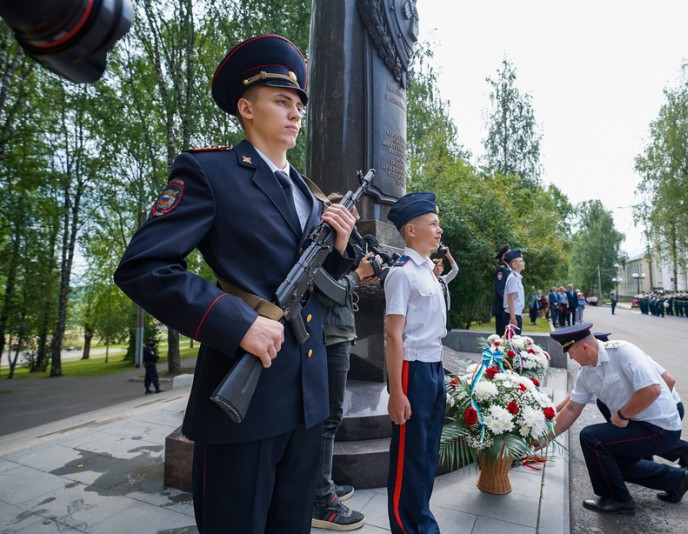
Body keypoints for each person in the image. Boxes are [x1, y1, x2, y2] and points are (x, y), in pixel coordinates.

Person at [114, 34, 357, 533]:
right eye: (281, 101)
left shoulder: (309, 195)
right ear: (246, 107)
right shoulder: (211, 172)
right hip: (243, 397)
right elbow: (145, 267)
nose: (295, 114)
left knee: (291, 525)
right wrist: (235, 321)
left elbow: (317, 282)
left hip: (306, 397)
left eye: (298, 105)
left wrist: (341, 249)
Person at [544, 324, 688, 515]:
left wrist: (623, 414)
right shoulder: (586, 374)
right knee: (615, 467)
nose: (570, 358)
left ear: (585, 348)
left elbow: (652, 390)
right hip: (637, 424)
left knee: (592, 438)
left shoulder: (622, 352)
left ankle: (618, 500)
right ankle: (677, 480)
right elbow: (572, 408)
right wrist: (544, 437)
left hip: (660, 426)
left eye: (571, 352)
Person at [313, 198, 380, 531]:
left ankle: (321, 485)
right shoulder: (322, 242)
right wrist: (357, 275)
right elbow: (328, 291)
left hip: (337, 334)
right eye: (348, 213)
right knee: (327, 418)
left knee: (330, 417)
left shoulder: (341, 245)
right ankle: (320, 498)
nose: (353, 219)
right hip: (328, 337)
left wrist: (360, 274)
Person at [384, 192, 447, 534]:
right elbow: (394, 336)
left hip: (433, 367)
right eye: (433, 224)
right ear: (411, 229)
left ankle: (422, 520)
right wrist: (396, 392)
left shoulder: (427, 272)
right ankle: (408, 527)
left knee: (425, 455)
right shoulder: (402, 274)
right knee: (409, 457)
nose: (439, 230)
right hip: (412, 370)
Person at [433, 245, 459, 331]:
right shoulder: (429, 279)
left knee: (443, 329)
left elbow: (455, 270)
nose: (437, 268)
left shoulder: (444, 279)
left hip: (444, 309)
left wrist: (448, 255)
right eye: (435, 266)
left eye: (440, 266)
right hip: (434, 310)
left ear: (443, 269)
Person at [502, 249, 525, 332]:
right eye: (521, 261)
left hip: (515, 314)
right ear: (514, 264)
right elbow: (510, 298)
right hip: (512, 315)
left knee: (515, 341)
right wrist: (513, 318)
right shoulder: (513, 278)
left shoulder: (517, 277)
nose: (523, 263)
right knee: (513, 342)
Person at [492, 244, 511, 336]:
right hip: (502, 309)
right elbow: (500, 290)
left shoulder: (509, 270)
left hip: (506, 308)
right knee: (501, 336)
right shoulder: (501, 270)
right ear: (503, 257)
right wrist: (510, 303)